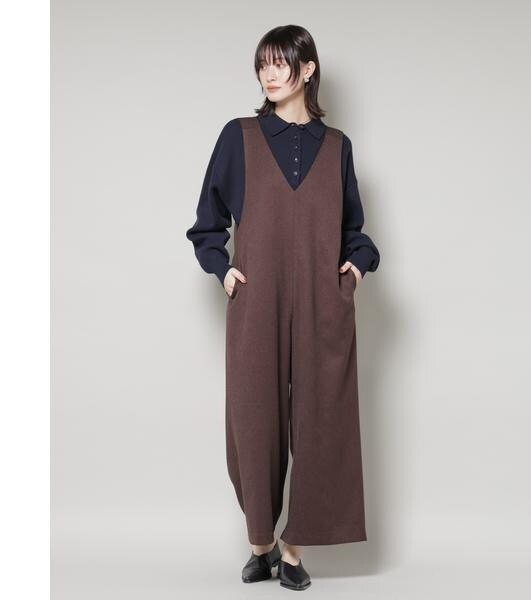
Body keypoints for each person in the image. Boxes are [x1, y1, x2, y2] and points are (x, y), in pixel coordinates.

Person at [185, 24, 380, 591]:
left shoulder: (337, 147)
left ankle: (294, 550)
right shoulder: (239, 137)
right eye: (262, 65)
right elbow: (207, 224)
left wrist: (355, 269)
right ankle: (261, 544)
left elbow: (354, 231)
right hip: (257, 299)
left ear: (308, 68)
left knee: (323, 421)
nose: (268, 74)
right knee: (253, 421)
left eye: (280, 63)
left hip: (322, 303)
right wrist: (224, 270)